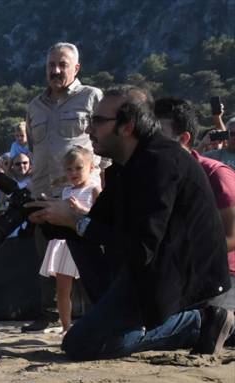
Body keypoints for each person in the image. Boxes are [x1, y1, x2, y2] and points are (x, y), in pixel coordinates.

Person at [27, 87, 233, 360]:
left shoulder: (161, 163)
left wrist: (76, 222)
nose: (89, 130)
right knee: (79, 240)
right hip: (146, 271)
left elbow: (142, 246)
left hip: (181, 279)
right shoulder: (125, 166)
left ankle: (200, 323)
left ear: (127, 127)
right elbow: (95, 224)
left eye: (98, 121)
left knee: (82, 343)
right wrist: (46, 216)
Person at [23, 42, 104, 333]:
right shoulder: (34, 105)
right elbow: (34, 148)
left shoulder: (92, 97)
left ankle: (96, 315)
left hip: (82, 198)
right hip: (44, 194)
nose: (56, 71)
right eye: (51, 65)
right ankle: (49, 316)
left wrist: (104, 193)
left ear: (76, 68)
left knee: (88, 259)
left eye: (62, 65)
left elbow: (104, 148)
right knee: (49, 259)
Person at [153, 97, 235, 308]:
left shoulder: (216, 175)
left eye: (159, 135)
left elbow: (232, 236)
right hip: (174, 274)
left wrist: (182, 255)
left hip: (221, 275)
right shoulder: (154, 177)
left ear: (183, 138)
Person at [40, 147, 100, 333]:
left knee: (91, 288)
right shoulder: (65, 191)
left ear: (90, 168)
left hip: (86, 242)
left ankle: (95, 325)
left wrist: (82, 210)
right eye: (69, 169)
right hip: (65, 243)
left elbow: (101, 218)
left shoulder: (94, 189)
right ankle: (66, 327)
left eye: (78, 168)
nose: (73, 172)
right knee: (63, 289)